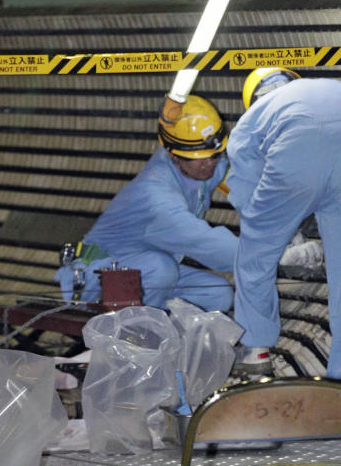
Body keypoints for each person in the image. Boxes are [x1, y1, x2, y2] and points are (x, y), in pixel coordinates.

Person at [225, 67, 341, 396]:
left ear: (252, 97)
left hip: (295, 156)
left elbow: (246, 193)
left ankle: (256, 349)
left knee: (254, 258)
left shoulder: (252, 119)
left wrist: (278, 232)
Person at [55, 95, 238, 312]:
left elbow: (244, 185)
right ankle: (136, 340)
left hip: (146, 273)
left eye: (215, 155)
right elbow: (204, 242)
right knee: (162, 269)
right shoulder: (155, 194)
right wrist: (265, 252)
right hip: (96, 280)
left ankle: (173, 339)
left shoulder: (196, 165)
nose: (209, 164)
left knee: (218, 293)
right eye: (200, 157)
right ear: (173, 154)